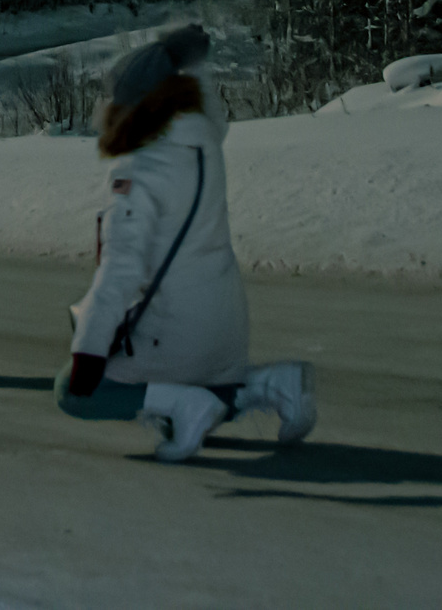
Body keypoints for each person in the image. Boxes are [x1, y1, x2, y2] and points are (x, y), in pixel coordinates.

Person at [55, 23, 316, 462]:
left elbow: (120, 270)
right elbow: (212, 111)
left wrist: (88, 353)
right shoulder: (203, 142)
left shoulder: (138, 169)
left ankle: (183, 405)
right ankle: (272, 385)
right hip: (225, 325)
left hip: (174, 334)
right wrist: (188, 60)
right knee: (202, 385)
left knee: (74, 393)